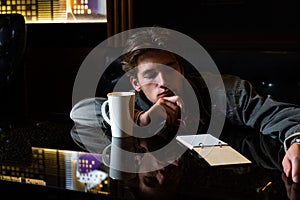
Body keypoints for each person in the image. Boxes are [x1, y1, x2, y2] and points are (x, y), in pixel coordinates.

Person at [70, 27, 300, 184]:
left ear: (180, 69)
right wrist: (138, 119)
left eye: (170, 69)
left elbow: (278, 115)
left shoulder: (221, 90)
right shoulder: (129, 99)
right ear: (136, 83)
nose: (163, 82)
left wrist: (297, 140)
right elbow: (80, 112)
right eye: (150, 75)